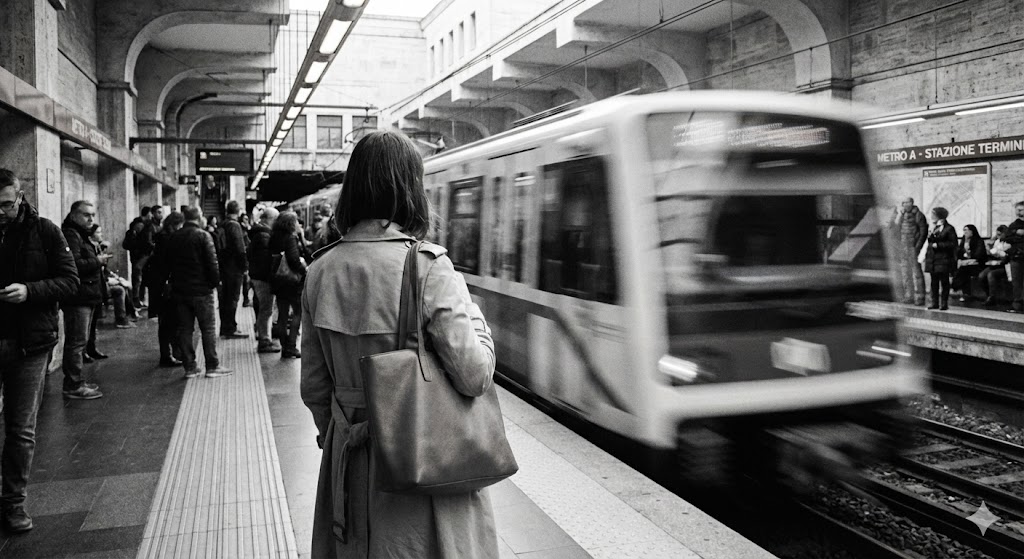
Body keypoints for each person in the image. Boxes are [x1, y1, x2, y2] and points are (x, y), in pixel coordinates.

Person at [300, 131, 498, 558]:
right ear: (410, 189)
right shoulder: (428, 267)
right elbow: (474, 375)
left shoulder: (320, 271)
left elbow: (314, 386)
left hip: (349, 463)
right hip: (421, 460)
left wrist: (336, 437)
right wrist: (477, 319)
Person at [0, 169, 79, 532]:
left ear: (20, 196)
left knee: (20, 429)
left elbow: (69, 281)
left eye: (6, 204)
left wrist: (29, 291)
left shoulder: (45, 230)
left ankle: (13, 503)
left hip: (29, 343)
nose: (1, 212)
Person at [162, 207, 232, 378]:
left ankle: (190, 368)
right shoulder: (203, 236)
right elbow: (212, 263)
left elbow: (168, 263)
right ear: (199, 217)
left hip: (180, 291)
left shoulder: (174, 237)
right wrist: (215, 284)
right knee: (207, 328)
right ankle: (212, 366)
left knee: (185, 329)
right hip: (202, 291)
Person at [61, 201, 107, 399]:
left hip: (85, 296)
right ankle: (73, 384)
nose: (91, 219)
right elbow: (74, 264)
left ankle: (76, 380)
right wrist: (98, 261)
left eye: (93, 215)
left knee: (80, 341)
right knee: (77, 342)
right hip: (78, 297)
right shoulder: (72, 235)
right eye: (86, 215)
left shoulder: (80, 235)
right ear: (73, 215)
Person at [145, 211, 185, 366]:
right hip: (165, 286)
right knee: (169, 321)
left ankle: (168, 354)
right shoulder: (169, 239)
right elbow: (170, 263)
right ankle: (168, 355)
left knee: (165, 321)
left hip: (159, 285)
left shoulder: (162, 237)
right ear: (176, 224)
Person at [269, 211, 308, 359]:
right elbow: (293, 259)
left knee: (283, 315)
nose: (298, 224)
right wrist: (304, 270)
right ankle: (291, 346)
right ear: (291, 223)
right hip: (291, 282)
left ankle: (284, 345)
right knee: (298, 312)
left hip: (278, 281)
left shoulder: (274, 237)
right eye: (296, 221)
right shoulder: (291, 238)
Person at [248, 207, 281, 353]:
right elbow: (265, 262)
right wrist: (271, 277)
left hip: (257, 276)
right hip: (263, 278)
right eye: (276, 220)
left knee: (265, 309)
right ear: (269, 219)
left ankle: (265, 337)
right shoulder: (264, 236)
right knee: (266, 309)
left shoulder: (259, 233)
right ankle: (264, 341)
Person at [217, 201, 249, 339]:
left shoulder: (223, 224)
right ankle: (231, 328)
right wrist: (245, 267)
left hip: (224, 266)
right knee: (233, 298)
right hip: (234, 267)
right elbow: (240, 248)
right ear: (238, 210)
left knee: (225, 298)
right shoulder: (235, 225)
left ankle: (225, 327)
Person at [893, 197, 928, 305]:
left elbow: (923, 232)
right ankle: (909, 296)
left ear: (912, 203)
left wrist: (918, 246)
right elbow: (897, 230)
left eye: (907, 202)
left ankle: (920, 297)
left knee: (916, 273)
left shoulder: (919, 215)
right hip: (903, 247)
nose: (904, 205)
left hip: (913, 247)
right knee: (905, 273)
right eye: (903, 203)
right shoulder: (902, 215)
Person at [924, 207, 957, 311]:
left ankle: (944, 303)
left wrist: (938, 245)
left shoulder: (949, 228)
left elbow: (953, 243)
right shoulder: (933, 227)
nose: (932, 216)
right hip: (932, 259)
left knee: (944, 281)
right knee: (934, 282)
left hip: (943, 259)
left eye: (933, 214)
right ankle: (934, 302)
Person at [979, 225, 1013, 307]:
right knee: (981, 276)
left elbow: (1006, 255)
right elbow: (994, 252)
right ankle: (988, 295)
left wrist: (998, 254)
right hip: (996, 263)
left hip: (1006, 266)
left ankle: (992, 297)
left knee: (991, 275)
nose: (998, 236)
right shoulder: (997, 241)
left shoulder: (1009, 243)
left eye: (1000, 234)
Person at [951, 224, 986, 303]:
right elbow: (958, 252)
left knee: (964, 270)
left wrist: (969, 254)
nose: (965, 232)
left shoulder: (979, 241)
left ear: (972, 231)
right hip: (966, 263)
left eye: (967, 230)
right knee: (962, 268)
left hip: (977, 264)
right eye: (964, 230)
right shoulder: (963, 240)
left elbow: (979, 254)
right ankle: (963, 291)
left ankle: (957, 286)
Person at [1005, 201, 1024, 313]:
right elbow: (1007, 238)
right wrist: (1018, 234)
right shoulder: (1013, 225)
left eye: (1021, 210)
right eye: (1017, 210)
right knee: (1016, 281)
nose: (1018, 212)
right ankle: (1017, 304)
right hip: (1016, 256)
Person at [239, 213, 253, 308]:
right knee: (246, 280)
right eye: (244, 218)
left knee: (248, 280)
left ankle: (247, 299)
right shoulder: (240, 229)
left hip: (249, 256)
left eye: (247, 218)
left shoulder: (249, 228)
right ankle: (246, 299)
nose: (246, 220)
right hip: (245, 257)